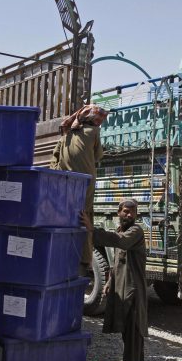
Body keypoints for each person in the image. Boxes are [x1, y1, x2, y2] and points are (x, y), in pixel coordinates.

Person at [81, 199, 146, 361]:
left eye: (133, 212)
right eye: (126, 211)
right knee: (130, 331)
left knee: (133, 330)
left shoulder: (135, 232)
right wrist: (110, 281)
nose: (129, 215)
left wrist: (92, 230)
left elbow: (121, 243)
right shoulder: (121, 231)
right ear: (118, 212)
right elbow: (119, 261)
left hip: (133, 289)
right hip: (122, 287)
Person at [51, 104, 108, 273]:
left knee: (65, 217)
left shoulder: (65, 134)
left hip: (64, 184)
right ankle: (84, 260)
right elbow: (98, 156)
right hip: (85, 184)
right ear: (93, 119)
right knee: (85, 218)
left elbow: (54, 157)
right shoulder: (94, 132)